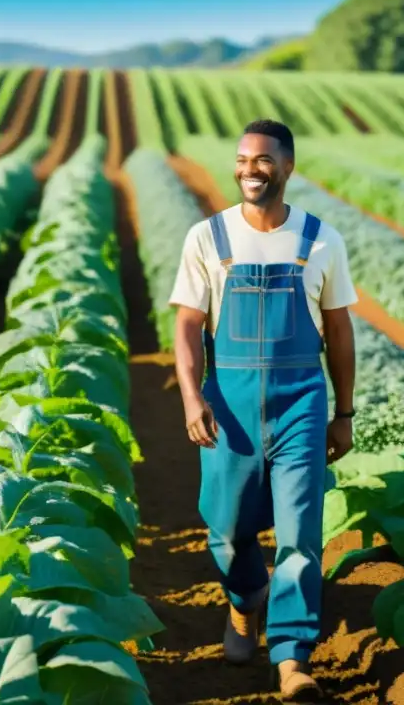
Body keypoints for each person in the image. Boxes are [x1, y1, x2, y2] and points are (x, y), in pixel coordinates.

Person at [168, 118, 358, 700]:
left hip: (301, 399)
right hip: (230, 403)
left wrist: (343, 412)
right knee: (226, 529)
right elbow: (187, 324)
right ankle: (245, 601)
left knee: (301, 533)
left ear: (288, 167)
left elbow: (340, 331)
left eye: (264, 159)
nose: (250, 168)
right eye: (243, 158)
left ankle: (292, 658)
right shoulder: (209, 237)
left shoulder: (320, 240)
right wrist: (192, 396)